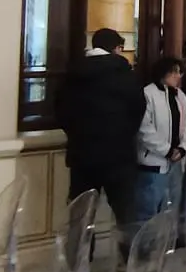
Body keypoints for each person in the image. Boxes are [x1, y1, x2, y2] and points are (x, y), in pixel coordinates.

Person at [56, 27, 146, 236]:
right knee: (126, 215)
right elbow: (138, 110)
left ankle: (78, 255)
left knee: (80, 215)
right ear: (116, 48)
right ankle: (130, 255)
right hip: (119, 155)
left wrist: (77, 135)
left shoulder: (73, 74)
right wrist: (124, 134)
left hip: (82, 154)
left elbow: (61, 110)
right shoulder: (125, 75)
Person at [135, 57, 186, 222]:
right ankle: (148, 239)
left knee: (172, 208)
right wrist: (167, 150)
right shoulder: (148, 94)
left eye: (179, 72)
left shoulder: (180, 96)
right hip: (153, 163)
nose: (178, 76)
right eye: (174, 72)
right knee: (148, 210)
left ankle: (168, 236)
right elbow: (144, 129)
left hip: (176, 162)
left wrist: (183, 148)